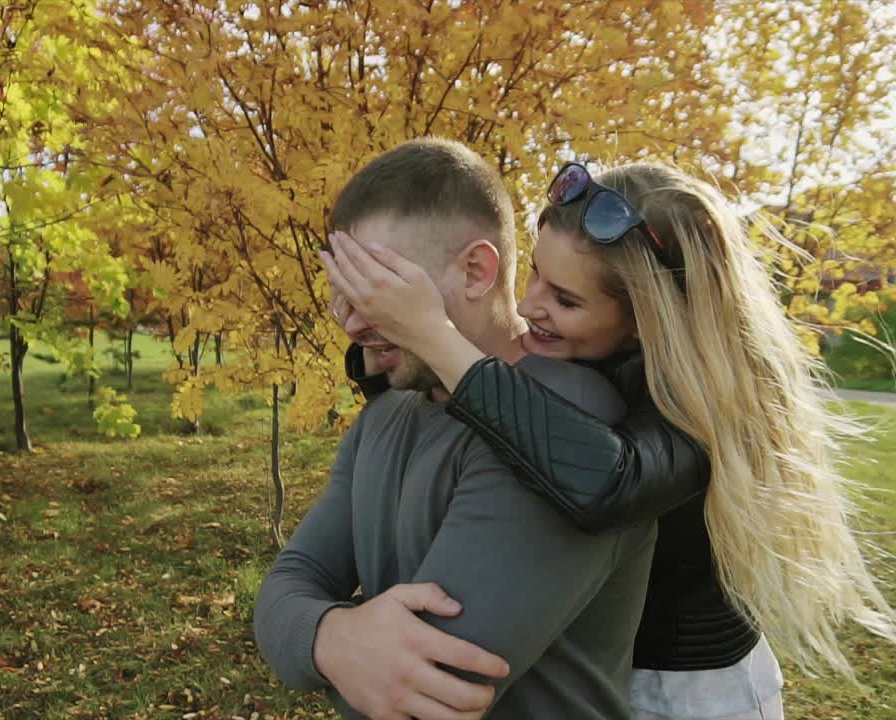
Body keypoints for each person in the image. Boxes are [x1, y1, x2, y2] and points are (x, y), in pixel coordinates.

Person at [322, 160, 896, 719]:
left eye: (565, 299)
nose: (529, 306)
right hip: (614, 675)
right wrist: (381, 343)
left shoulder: (698, 406)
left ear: (644, 318)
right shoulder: (591, 353)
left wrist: (433, 333)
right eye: (534, 273)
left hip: (689, 694)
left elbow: (607, 484)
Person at [254, 139, 665, 720]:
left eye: (377, 286)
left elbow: (426, 692)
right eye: (342, 288)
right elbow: (285, 586)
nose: (349, 320)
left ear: (476, 270)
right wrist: (331, 638)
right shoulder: (385, 414)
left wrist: (313, 641)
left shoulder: (563, 425)